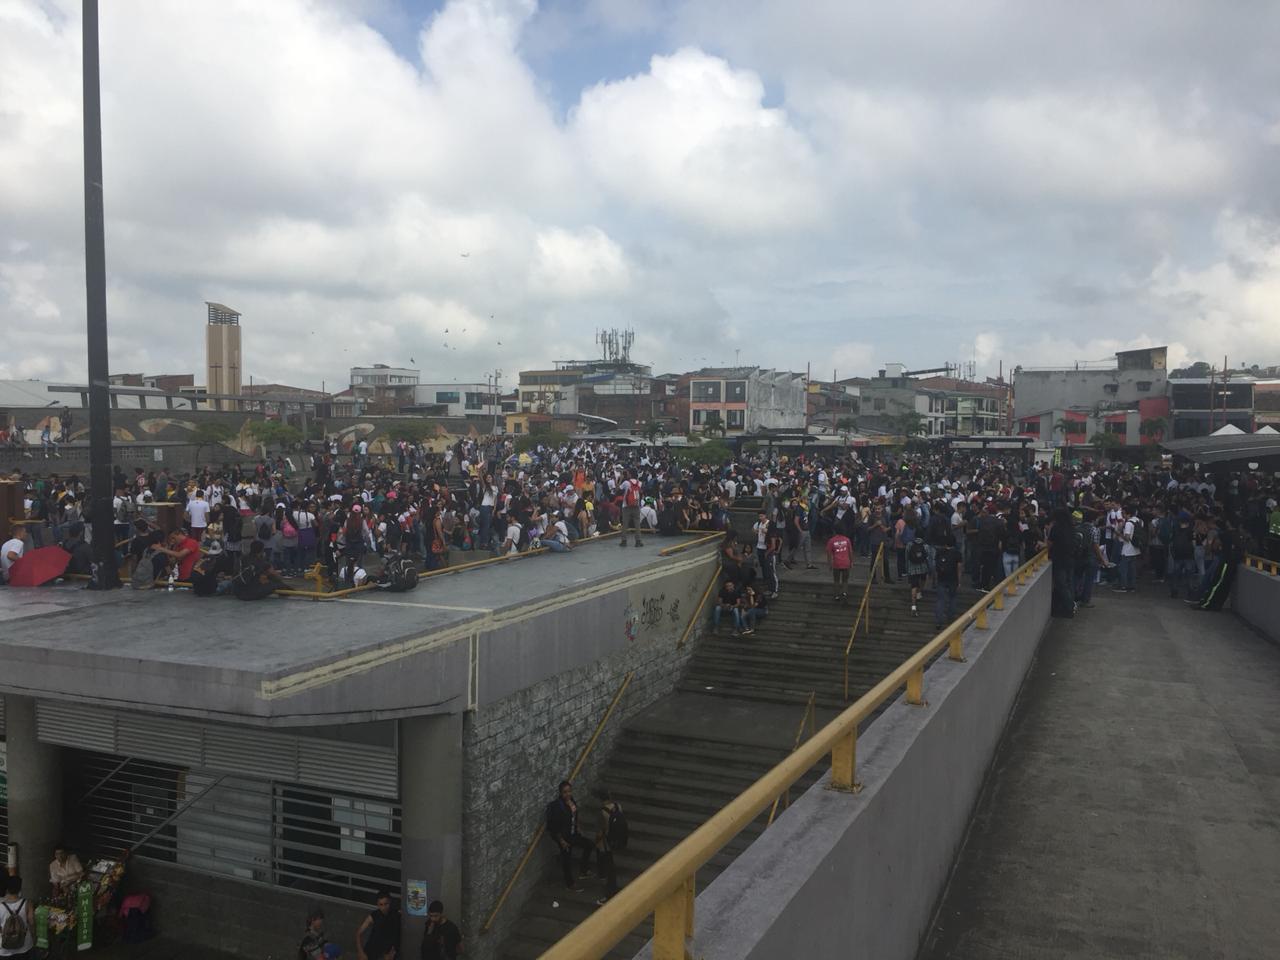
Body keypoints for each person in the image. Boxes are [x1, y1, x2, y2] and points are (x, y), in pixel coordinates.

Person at [546, 780, 595, 889]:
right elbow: (554, 825)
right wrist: (562, 841)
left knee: (589, 845)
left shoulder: (571, 801)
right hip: (563, 836)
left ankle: (583, 870)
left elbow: (574, 815)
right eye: (565, 792)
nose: (568, 794)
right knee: (566, 859)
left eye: (569, 791)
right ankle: (570, 883)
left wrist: (578, 826)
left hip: (573, 833)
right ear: (560, 793)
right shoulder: (558, 807)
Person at [593, 789, 624, 906]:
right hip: (616, 839)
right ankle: (611, 887)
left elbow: (599, 833)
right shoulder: (618, 806)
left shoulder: (602, 812)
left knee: (609, 868)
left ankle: (609, 893)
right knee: (611, 866)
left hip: (605, 844)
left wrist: (596, 842)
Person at [355, 891, 400, 960]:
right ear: (377, 905)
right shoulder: (374, 915)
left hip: (387, 952)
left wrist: (393, 951)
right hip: (371, 951)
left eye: (386, 904)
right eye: (381, 905)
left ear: (390, 902)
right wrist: (361, 952)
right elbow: (358, 933)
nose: (384, 907)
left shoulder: (396, 914)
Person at [0, 875, 34, 960]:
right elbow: (32, 922)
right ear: (20, 889)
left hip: (5, 948)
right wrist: (34, 937)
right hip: (24, 946)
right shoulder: (27, 903)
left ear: (7, 889)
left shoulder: (0, 906)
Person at [933, 533, 960, 630]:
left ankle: (938, 621)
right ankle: (951, 618)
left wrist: (935, 580)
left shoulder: (940, 552)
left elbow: (936, 567)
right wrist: (959, 579)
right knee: (952, 598)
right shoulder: (957, 553)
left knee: (940, 600)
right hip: (953, 579)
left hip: (941, 578)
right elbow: (959, 567)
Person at [826, 527, 853, 602]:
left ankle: (836, 595)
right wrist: (851, 562)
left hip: (836, 563)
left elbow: (828, 553)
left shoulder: (831, 540)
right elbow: (850, 552)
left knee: (836, 580)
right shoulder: (847, 540)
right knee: (845, 580)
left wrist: (829, 563)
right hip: (846, 562)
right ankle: (844, 593)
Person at [618, 471, 644, 548]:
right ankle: (638, 541)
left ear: (630, 474)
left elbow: (617, 489)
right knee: (637, 524)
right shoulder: (640, 483)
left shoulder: (626, 483)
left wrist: (620, 480)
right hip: (636, 505)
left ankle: (624, 541)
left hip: (626, 506)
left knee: (625, 523)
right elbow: (641, 492)